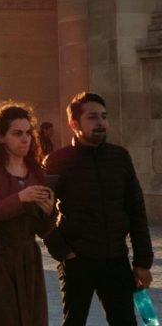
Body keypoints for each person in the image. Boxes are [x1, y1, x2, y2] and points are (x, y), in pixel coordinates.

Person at [44, 91, 153, 325]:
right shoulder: (57, 161)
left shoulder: (120, 157)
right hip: (77, 261)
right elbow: (42, 213)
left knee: (126, 321)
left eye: (104, 116)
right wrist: (63, 252)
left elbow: (136, 210)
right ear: (75, 124)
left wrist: (142, 262)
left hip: (116, 259)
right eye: (93, 117)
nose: (101, 123)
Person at [0, 100, 54, 325]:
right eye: (16, 133)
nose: (25, 139)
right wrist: (19, 199)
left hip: (28, 262)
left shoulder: (36, 172)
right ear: (0, 136)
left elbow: (43, 230)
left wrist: (50, 213)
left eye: (28, 133)